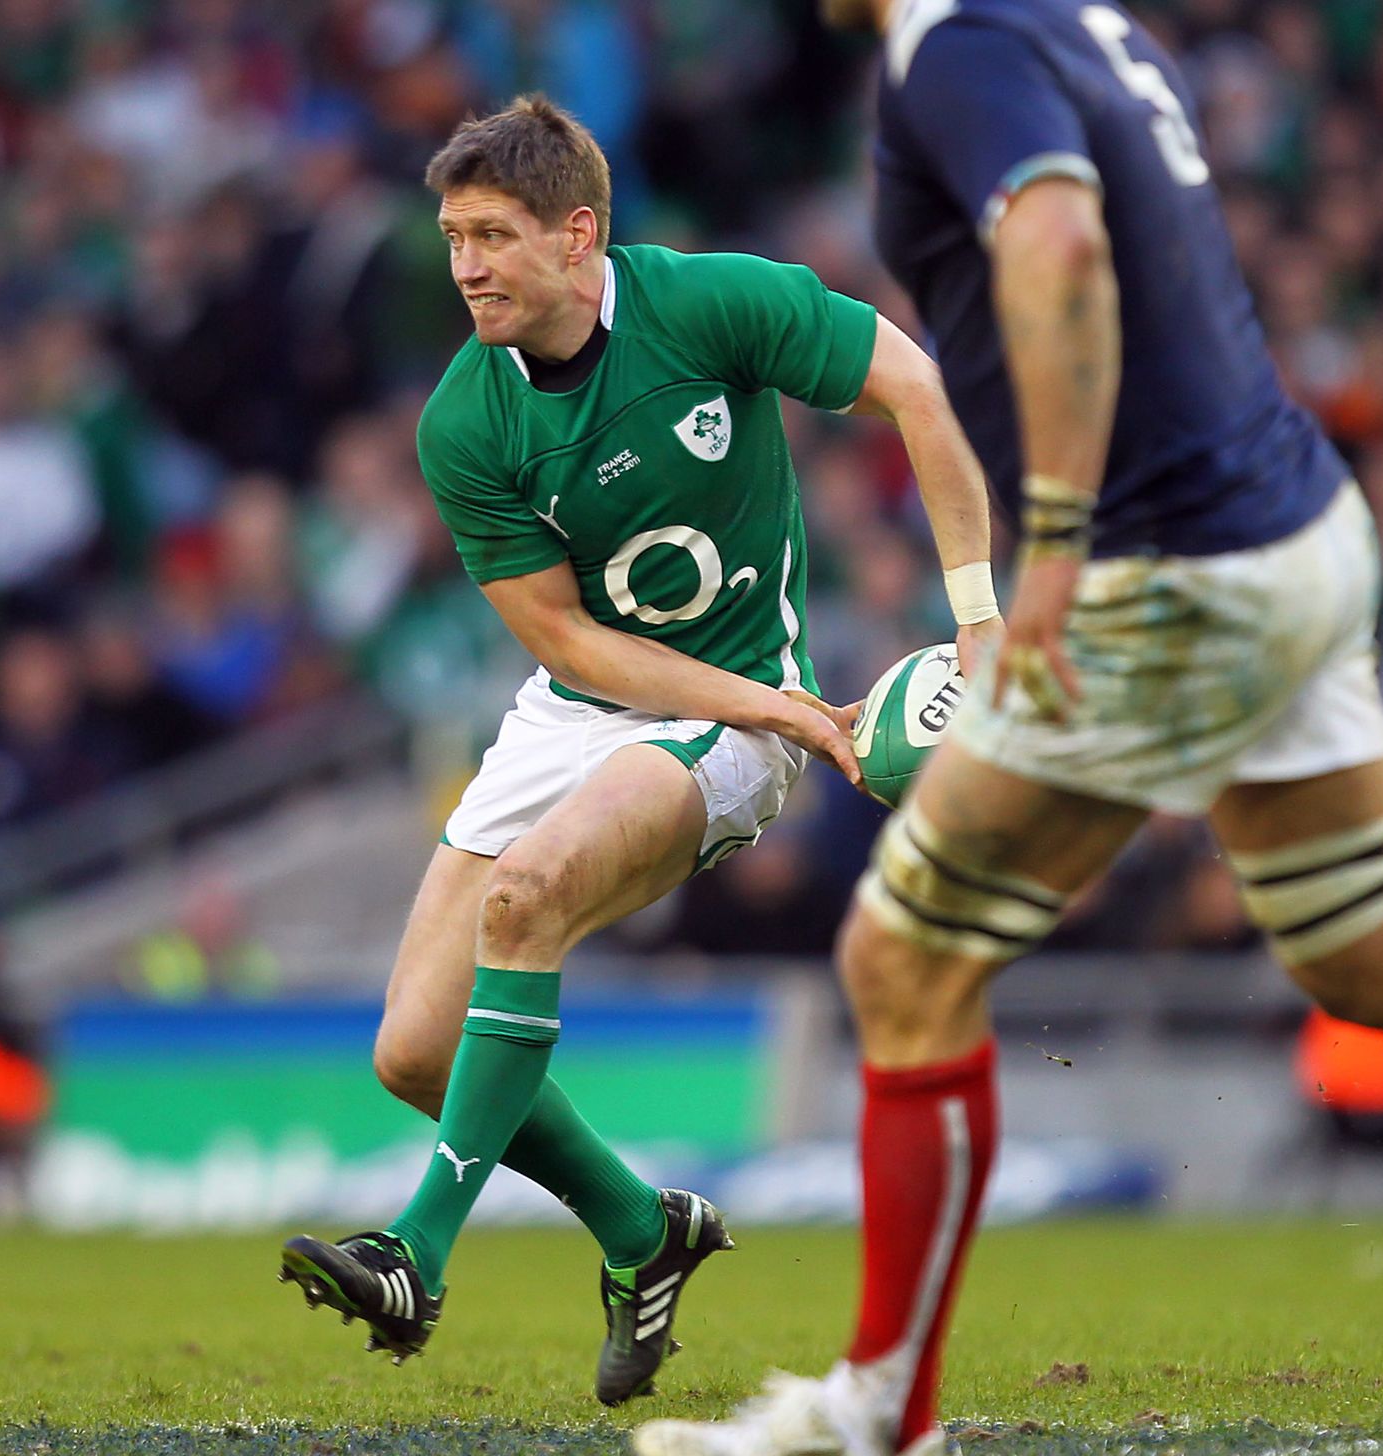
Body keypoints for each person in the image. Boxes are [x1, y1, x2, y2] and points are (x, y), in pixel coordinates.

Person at [634, 3, 1383, 1453]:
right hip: (1295, 527)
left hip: (1176, 569)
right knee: (1374, 950)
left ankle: (881, 1413)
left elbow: (1060, 244)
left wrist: (1057, 543)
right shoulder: (1079, 23)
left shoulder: (961, 46)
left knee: (904, 958)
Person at [279, 95, 1003, 1407]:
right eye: (453, 237)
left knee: (525, 898)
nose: (469, 267)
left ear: (579, 234)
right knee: (411, 1051)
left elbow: (920, 391)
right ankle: (639, 1230)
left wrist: (976, 620)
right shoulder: (463, 419)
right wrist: (775, 706)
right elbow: (571, 640)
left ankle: (416, 1254)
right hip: (583, 705)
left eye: (495, 235)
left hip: (726, 720)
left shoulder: (713, 305)